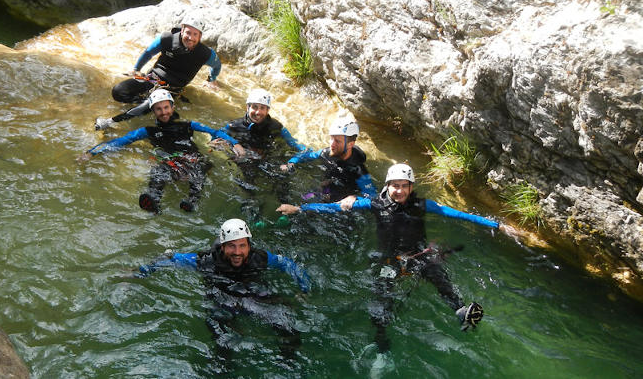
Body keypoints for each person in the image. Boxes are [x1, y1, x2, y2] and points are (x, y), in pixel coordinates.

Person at [277, 163, 520, 358]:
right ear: (388, 186)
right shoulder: (375, 204)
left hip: (419, 255)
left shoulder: (423, 205)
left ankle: (460, 311)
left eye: (404, 186)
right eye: (395, 186)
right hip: (390, 261)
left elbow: (458, 214)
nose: (400, 191)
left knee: (438, 276)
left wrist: (497, 226)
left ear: (411, 187)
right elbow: (335, 207)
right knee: (382, 301)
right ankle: (381, 343)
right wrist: (300, 209)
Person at [137, 218, 311, 364]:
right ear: (222, 247)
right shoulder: (206, 261)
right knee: (223, 344)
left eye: (242, 246)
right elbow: (171, 259)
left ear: (249, 246)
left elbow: (288, 264)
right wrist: (139, 273)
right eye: (231, 246)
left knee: (287, 324)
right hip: (222, 300)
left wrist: (304, 288)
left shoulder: (260, 258)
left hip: (254, 294)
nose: (237, 252)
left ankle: (289, 362)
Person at [79, 89, 239, 213]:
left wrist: (235, 144)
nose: (163, 112)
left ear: (172, 107)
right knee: (159, 170)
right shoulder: (147, 131)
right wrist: (92, 152)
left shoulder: (188, 125)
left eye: (166, 107)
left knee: (201, 166)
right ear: (153, 111)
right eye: (158, 109)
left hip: (192, 160)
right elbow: (119, 142)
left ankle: (192, 201)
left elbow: (216, 132)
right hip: (171, 163)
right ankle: (153, 200)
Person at [95, 11, 222, 130]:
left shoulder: (205, 53)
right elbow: (148, 53)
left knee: (153, 103)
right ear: (182, 29)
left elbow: (217, 66)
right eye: (188, 32)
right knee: (118, 91)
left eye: (195, 34)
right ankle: (146, 103)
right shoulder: (167, 39)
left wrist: (212, 79)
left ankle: (110, 122)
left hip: (173, 87)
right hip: (153, 78)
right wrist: (136, 69)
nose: (191, 38)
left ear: (200, 36)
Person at [212, 88, 309, 227]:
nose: (258, 112)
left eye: (262, 108)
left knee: (282, 176)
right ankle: (255, 213)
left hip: (267, 157)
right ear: (247, 107)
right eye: (254, 107)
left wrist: (301, 155)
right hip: (246, 159)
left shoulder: (276, 126)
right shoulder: (235, 125)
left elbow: (294, 144)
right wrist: (230, 143)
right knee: (248, 180)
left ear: (268, 110)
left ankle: (285, 210)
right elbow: (217, 134)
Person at [279, 116, 377, 203]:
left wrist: (355, 198)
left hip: (341, 199)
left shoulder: (358, 171)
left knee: (310, 209)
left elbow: (372, 197)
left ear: (350, 144)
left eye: (337, 141)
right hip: (325, 188)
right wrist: (292, 162)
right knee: (302, 201)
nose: (332, 144)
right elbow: (307, 155)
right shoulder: (327, 152)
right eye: (331, 138)